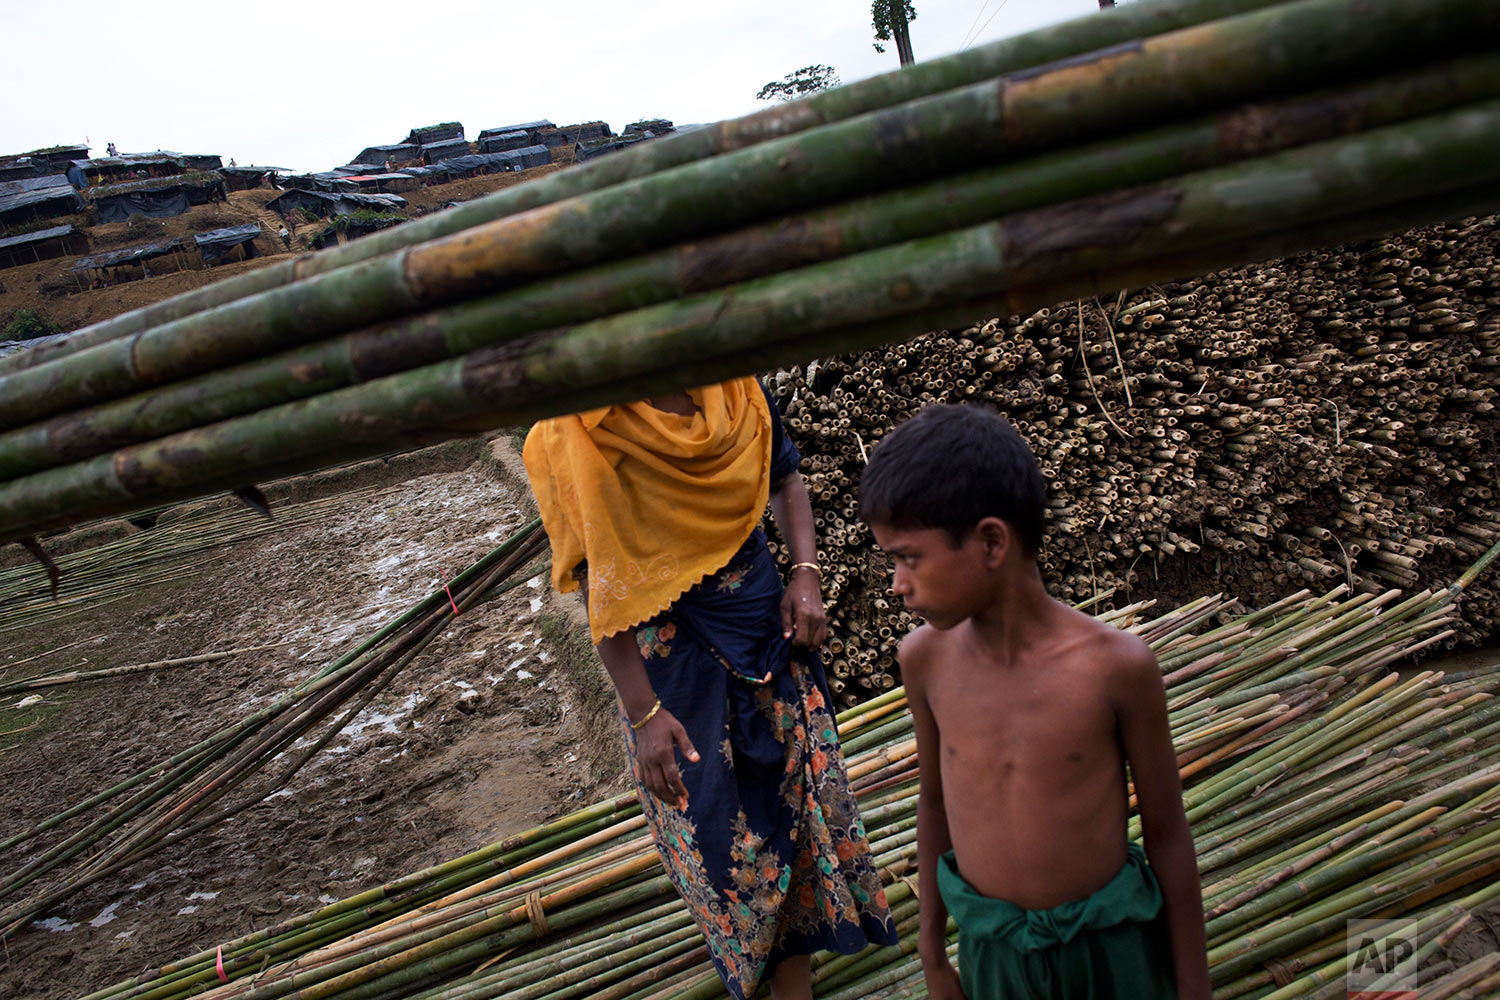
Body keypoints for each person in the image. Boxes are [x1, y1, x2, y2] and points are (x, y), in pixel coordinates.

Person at [523, 377, 897, 1000]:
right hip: (670, 681)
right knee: (722, 839)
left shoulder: (735, 387)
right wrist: (643, 714)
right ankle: (760, 975)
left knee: (798, 816)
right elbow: (599, 583)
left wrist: (804, 575)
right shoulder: (575, 431)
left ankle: (794, 979)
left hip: (767, 643)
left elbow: (785, 478)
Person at [859, 404, 1209, 1000]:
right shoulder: (925, 661)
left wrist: (1194, 987)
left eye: (908, 557)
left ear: (991, 541)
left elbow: (1168, 832)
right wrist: (932, 951)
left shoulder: (1115, 668)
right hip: (995, 953)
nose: (897, 583)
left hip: (1111, 949)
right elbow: (936, 806)